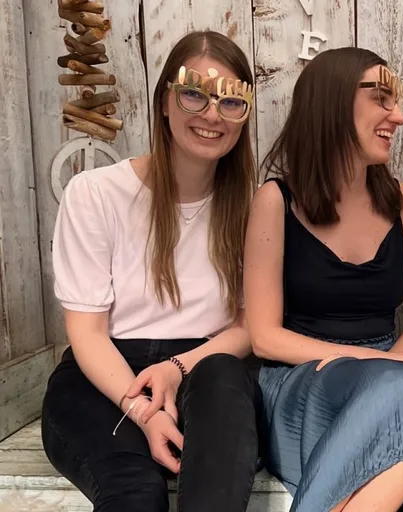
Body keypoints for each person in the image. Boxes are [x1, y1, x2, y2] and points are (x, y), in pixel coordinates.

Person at [41, 31, 260, 512]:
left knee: (223, 388)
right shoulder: (95, 194)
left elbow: (252, 327)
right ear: (165, 101)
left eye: (229, 102)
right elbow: (88, 334)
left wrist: (176, 369)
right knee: (134, 493)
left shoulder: (253, 209)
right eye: (193, 93)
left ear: (243, 116)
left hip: (206, 371)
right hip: (105, 379)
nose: (210, 115)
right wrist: (140, 410)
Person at [243, 47, 403, 512]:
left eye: (397, 100)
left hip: (388, 379)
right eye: (382, 98)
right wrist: (368, 360)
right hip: (304, 380)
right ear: (333, 100)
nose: (398, 116)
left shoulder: (401, 200)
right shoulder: (275, 200)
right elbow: (263, 337)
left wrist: (389, 363)